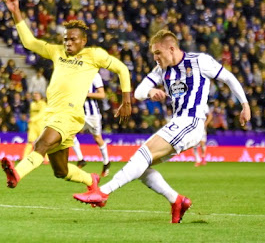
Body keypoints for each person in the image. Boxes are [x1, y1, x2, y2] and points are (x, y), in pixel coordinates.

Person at [74, 29, 251, 223]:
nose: (155, 58)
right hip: (178, 123)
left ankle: (103, 192)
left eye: (158, 53)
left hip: (191, 121)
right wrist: (150, 91)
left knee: (142, 155)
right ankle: (177, 200)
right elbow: (139, 91)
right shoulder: (161, 70)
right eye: (153, 54)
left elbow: (228, 78)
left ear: (172, 49)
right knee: (140, 166)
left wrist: (245, 105)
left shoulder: (199, 61)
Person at [0, 0, 132, 194]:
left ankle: (17, 174)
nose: (68, 42)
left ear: (83, 41)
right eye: (65, 39)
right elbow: (29, 42)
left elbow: (122, 69)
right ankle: (91, 180)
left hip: (70, 114)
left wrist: (127, 101)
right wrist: (16, 11)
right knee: (60, 171)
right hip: (53, 113)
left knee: (40, 144)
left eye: (72, 39)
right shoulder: (57, 52)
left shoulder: (94, 55)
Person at [70, 73, 112, 177]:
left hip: (92, 114)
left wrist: (85, 94)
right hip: (79, 112)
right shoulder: (75, 74)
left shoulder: (94, 75)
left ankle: (106, 162)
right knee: (69, 135)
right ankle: (80, 159)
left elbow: (102, 94)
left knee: (97, 138)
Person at [23, 91, 47, 159]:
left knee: (43, 142)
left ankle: (47, 159)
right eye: (34, 94)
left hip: (41, 125)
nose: (35, 95)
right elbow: (31, 114)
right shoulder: (32, 104)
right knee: (30, 141)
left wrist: (32, 119)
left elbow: (41, 114)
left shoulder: (43, 104)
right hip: (33, 126)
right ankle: (24, 157)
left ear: (40, 96)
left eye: (37, 94)